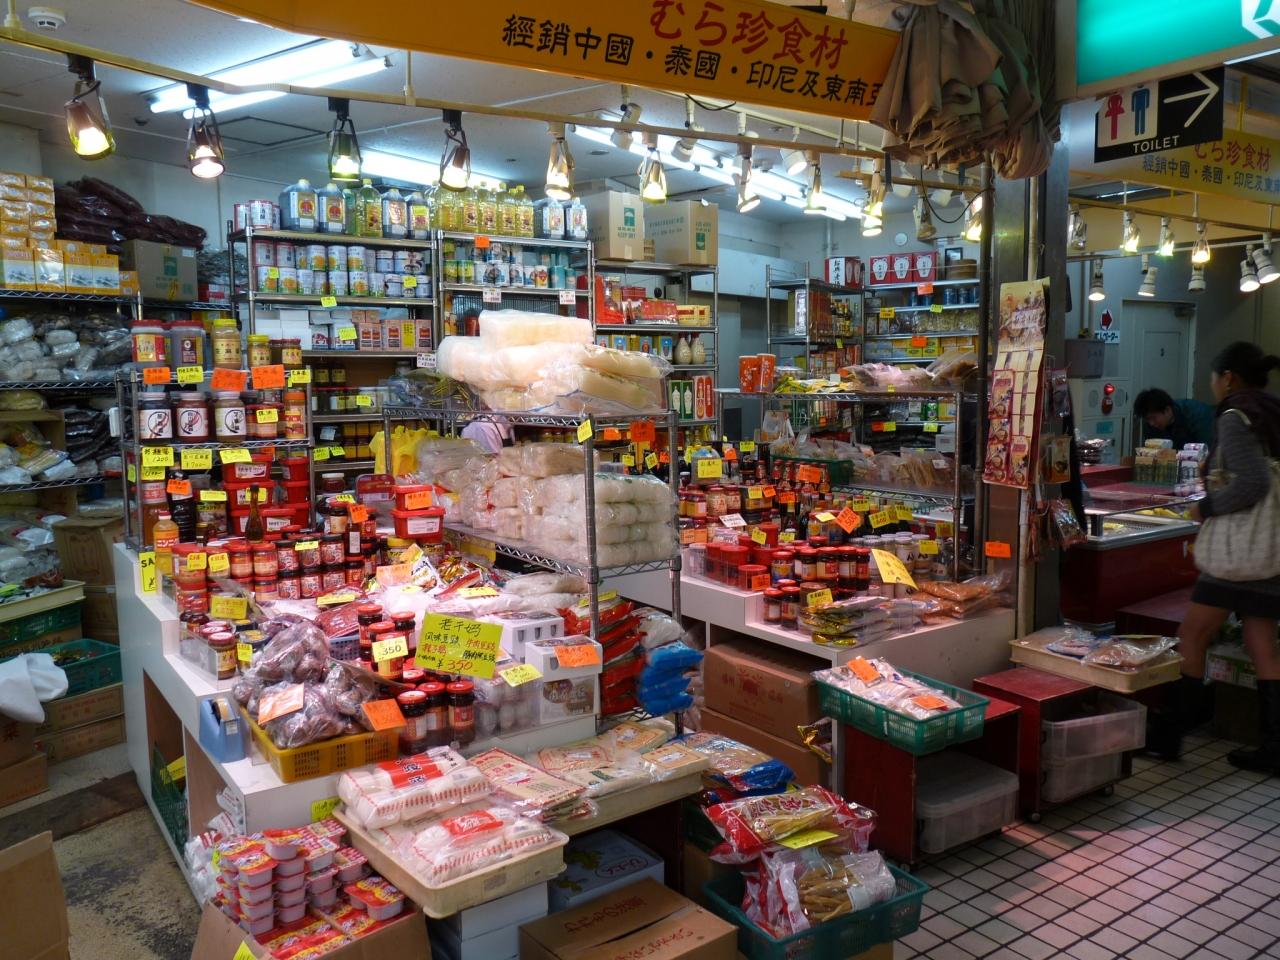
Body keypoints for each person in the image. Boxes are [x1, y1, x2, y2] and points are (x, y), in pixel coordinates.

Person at [1149, 342, 1280, 771]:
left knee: (1193, 634)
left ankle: (1171, 734)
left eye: (1213, 376)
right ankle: (1274, 747)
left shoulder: (1234, 417)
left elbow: (1254, 483)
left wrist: (1206, 507)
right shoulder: (1270, 413)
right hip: (1269, 549)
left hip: (1235, 551)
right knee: (1262, 644)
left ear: (1228, 378)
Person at [1133, 387, 1216, 448]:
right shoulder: (1149, 425)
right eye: (1147, 419)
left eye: (1154, 418)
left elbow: (1207, 451)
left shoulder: (1199, 416)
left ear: (1167, 410)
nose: (1151, 423)